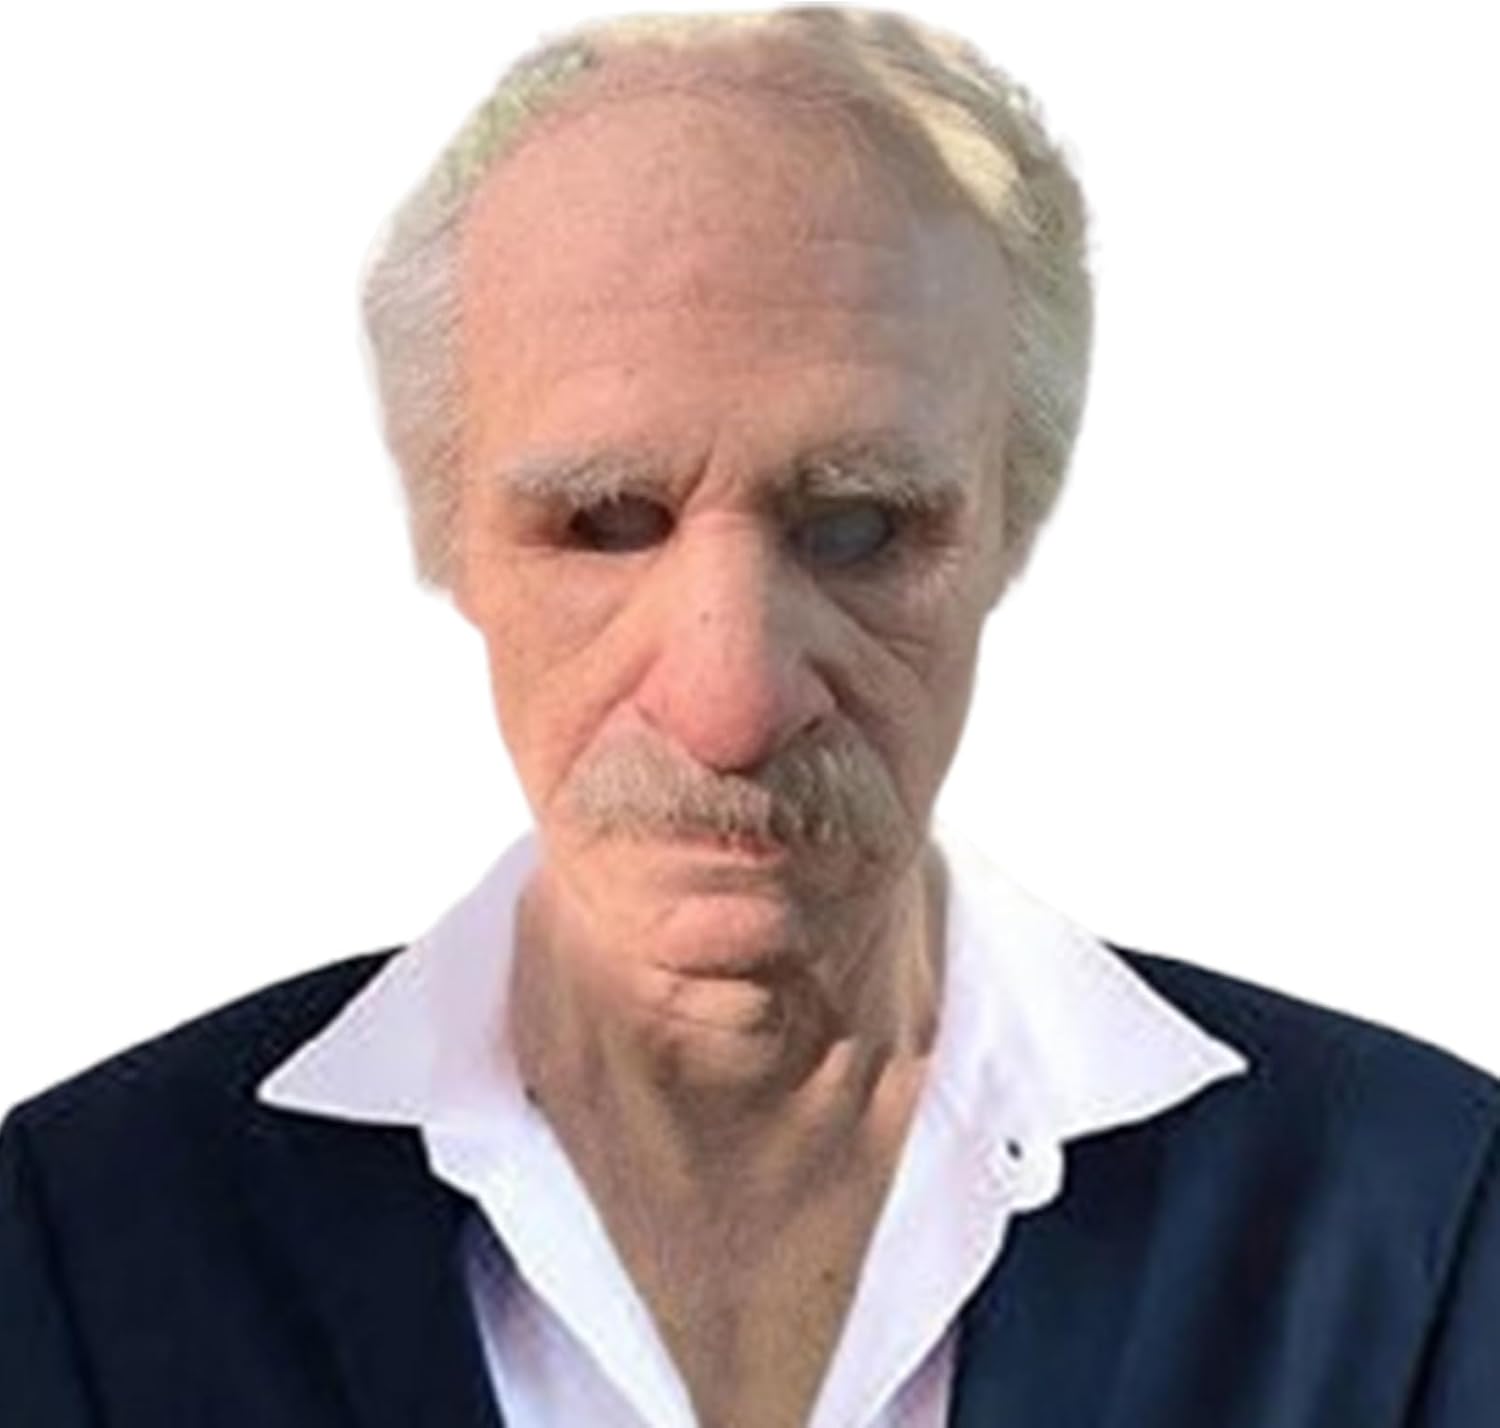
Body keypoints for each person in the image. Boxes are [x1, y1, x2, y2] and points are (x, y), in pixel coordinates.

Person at [2, 8, 1495, 1426]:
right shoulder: (77, 1240)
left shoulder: (1421, 1227)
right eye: (604, 521)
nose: (729, 710)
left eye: (858, 528)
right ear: (446, 531)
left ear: (1011, 523)